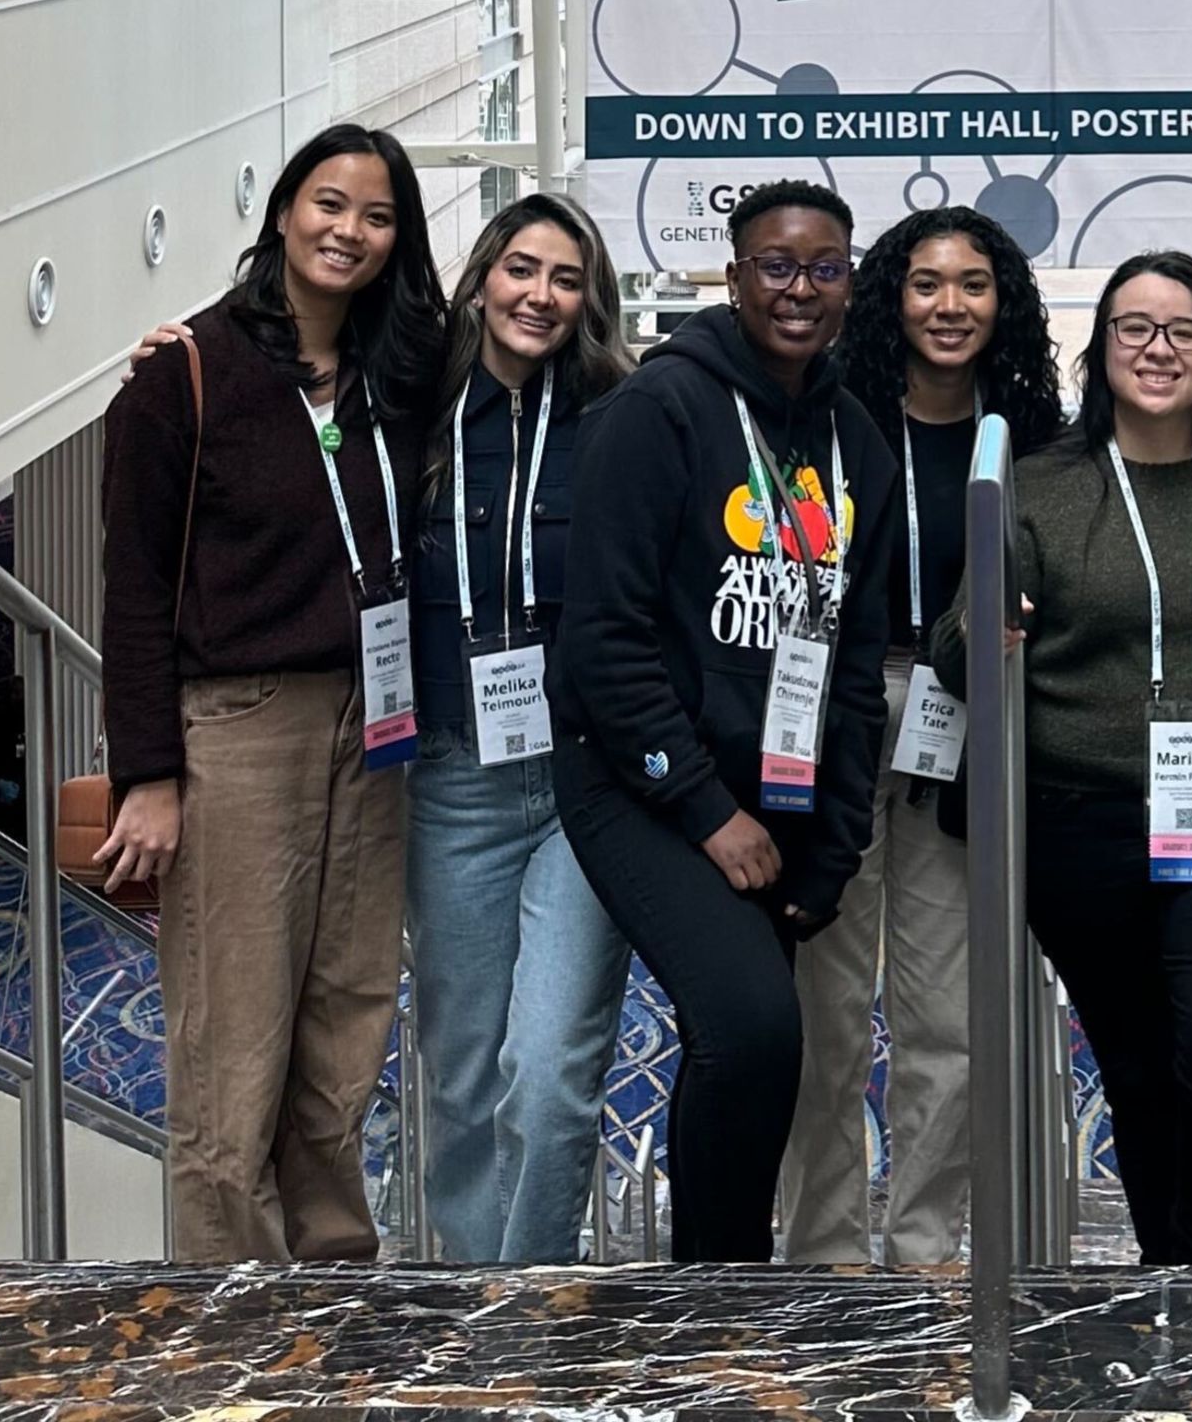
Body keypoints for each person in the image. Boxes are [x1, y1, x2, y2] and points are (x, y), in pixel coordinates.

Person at [935, 251, 1192, 1264]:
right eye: (1133, 328)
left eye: (1180, 329)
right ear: (1100, 347)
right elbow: (955, 647)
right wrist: (983, 629)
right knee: (1136, 1067)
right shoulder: (1037, 488)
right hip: (1080, 820)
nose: (1156, 349)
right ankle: (1173, 1289)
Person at [100, 123, 444, 1261]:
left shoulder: (402, 370)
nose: (350, 229)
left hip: (376, 724)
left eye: (378, 214)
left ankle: (335, 1300)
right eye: (329, 202)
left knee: (347, 1026)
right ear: (285, 212)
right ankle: (230, 1329)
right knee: (233, 1050)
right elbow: (136, 589)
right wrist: (150, 773)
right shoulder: (186, 373)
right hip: (239, 730)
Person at [550, 179, 896, 1262]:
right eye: (777, 265)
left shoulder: (853, 442)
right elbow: (601, 643)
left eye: (824, 266)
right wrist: (707, 809)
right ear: (734, 276)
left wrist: (832, 844)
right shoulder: (658, 412)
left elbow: (849, 668)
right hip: (641, 784)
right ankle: (718, 1289)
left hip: (781, 796)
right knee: (751, 1029)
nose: (800, 287)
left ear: (849, 280)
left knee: (745, 1045)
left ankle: (710, 1283)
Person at [782, 206, 1063, 1266]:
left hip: (968, 716)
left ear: (1004, 303)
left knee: (949, 1012)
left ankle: (926, 1247)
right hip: (839, 708)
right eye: (927, 283)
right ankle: (823, 1251)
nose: (950, 306)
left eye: (974, 285)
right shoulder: (831, 414)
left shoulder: (1026, 433)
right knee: (828, 1011)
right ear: (890, 295)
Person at [404, 193, 635, 1262]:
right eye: (521, 268)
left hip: (584, 784)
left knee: (547, 1071)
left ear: (589, 299)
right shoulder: (410, 399)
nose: (538, 294)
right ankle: (470, 1295)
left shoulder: (617, 414)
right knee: (461, 1069)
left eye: (564, 277)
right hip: (453, 779)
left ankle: (532, 1300)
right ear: (483, 274)